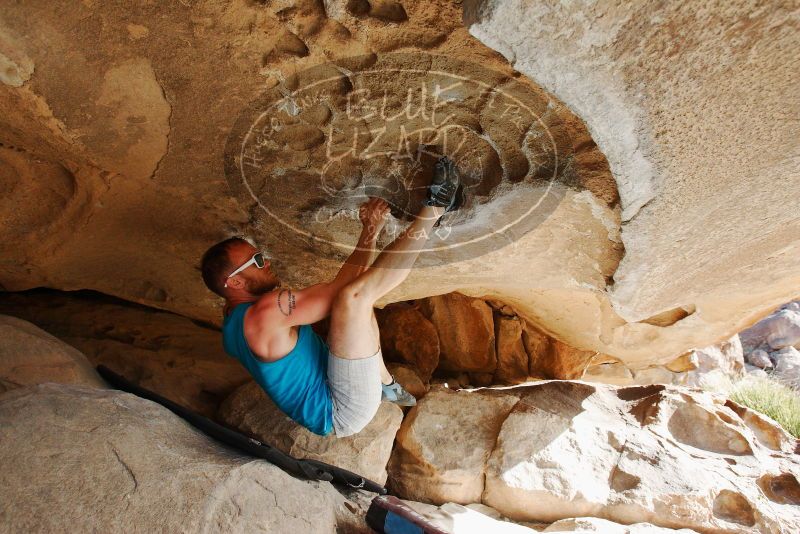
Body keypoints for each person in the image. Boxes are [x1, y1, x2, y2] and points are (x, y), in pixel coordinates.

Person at [200, 157, 462, 438]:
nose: (267, 261)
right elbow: (346, 290)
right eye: (257, 260)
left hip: (336, 385)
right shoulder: (264, 313)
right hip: (342, 409)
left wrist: (370, 230)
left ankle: (385, 382)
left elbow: (347, 288)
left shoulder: (232, 317)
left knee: (352, 306)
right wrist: (370, 229)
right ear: (236, 281)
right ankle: (437, 206)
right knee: (353, 299)